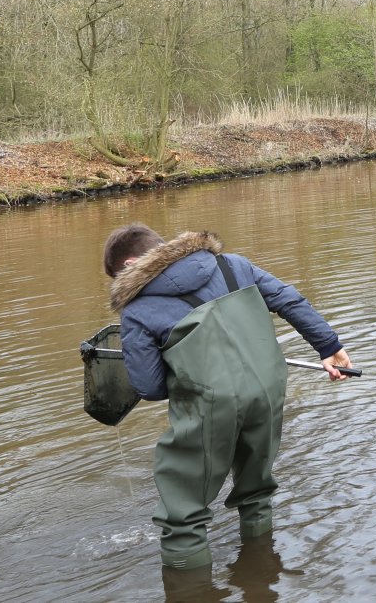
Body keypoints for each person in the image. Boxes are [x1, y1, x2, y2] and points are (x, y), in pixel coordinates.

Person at [103, 224, 355, 569]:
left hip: (210, 406)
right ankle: (260, 573)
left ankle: (190, 590)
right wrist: (329, 346)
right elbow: (288, 299)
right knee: (256, 491)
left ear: (131, 265)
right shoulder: (232, 265)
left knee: (183, 517)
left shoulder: (137, 309)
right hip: (267, 387)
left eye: (116, 276)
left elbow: (151, 388)